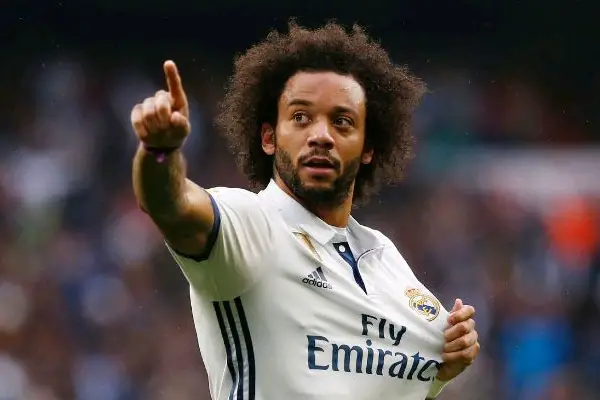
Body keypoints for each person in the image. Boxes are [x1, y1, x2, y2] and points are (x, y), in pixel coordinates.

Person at [131, 21, 480, 400]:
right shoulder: (252, 224)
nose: (321, 136)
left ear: (367, 147)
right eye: (300, 117)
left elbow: (409, 368)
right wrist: (159, 153)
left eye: (342, 122)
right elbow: (172, 205)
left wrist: (443, 365)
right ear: (269, 137)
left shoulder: (383, 255)